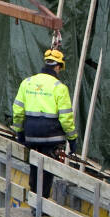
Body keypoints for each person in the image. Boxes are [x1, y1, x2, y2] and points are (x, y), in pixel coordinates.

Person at [11, 48, 77, 198]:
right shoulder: (60, 88)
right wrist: (72, 140)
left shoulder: (27, 83)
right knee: (47, 171)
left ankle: (34, 199)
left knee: (34, 166)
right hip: (51, 138)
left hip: (31, 135)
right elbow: (66, 118)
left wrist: (20, 132)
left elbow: (18, 111)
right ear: (58, 66)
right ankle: (42, 204)